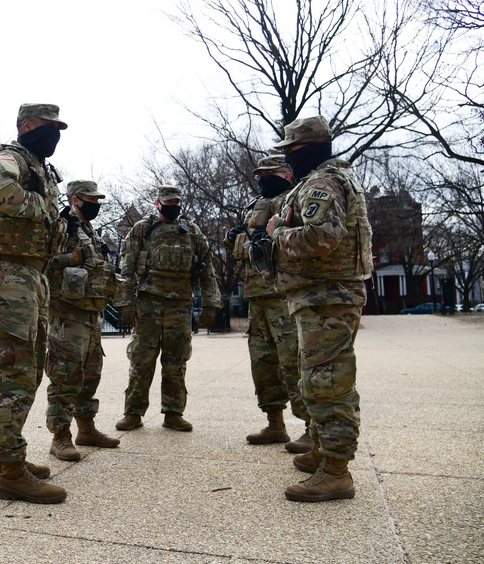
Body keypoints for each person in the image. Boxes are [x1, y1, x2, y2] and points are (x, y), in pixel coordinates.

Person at [264, 116, 373, 502]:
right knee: (320, 378)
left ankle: (337, 471)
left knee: (327, 382)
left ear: (306, 148)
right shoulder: (327, 179)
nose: (287, 160)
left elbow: (321, 238)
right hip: (321, 297)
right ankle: (326, 451)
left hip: (327, 297)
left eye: (290, 151)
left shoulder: (323, 182)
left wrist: (277, 232)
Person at [0, 103, 69, 504]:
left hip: (29, 277)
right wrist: (42, 208)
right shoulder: (8, 157)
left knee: (27, 374)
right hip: (6, 278)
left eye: (58, 129)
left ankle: (6, 459)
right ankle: (12, 472)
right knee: (11, 375)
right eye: (49, 128)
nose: (55, 136)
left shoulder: (39, 167)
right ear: (27, 126)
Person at [116, 185, 221, 433]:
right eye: (168, 203)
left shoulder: (192, 232)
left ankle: (173, 413)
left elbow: (208, 270)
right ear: (157, 203)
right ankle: (133, 413)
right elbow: (126, 268)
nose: (172, 207)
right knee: (141, 360)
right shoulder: (142, 229)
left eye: (176, 203)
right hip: (148, 304)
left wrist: (210, 303)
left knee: (176, 361)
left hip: (180, 306)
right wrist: (125, 302)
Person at [224, 156, 311, 450]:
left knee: (293, 361)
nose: (262, 179)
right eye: (259, 175)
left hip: (285, 294)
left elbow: (304, 243)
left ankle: (313, 429)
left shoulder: (296, 200)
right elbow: (242, 251)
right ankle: (275, 424)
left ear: (286, 174)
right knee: (262, 363)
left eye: (269, 174)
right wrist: (235, 238)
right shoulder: (254, 206)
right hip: (257, 295)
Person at [44, 180, 121, 461]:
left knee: (91, 374)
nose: (96, 204)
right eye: (91, 199)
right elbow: (43, 261)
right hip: (66, 312)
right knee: (65, 376)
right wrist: (71, 257)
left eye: (98, 200)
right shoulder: (62, 225)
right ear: (75, 199)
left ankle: (86, 429)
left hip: (90, 312)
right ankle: (60, 436)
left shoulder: (88, 230)